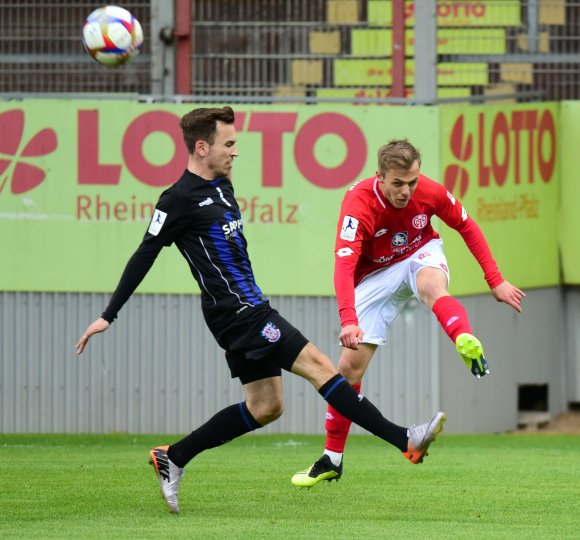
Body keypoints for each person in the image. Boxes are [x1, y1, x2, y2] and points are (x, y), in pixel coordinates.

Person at [75, 108, 446, 513]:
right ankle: (404, 440)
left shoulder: (222, 187)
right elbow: (143, 255)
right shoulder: (178, 200)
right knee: (322, 366)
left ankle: (173, 457)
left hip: (246, 308)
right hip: (239, 314)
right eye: (228, 144)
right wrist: (109, 314)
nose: (236, 152)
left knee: (265, 407)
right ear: (202, 147)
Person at [291, 139, 525, 488]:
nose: (406, 190)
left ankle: (462, 335)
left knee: (433, 288)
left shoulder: (429, 191)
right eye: (397, 183)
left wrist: (495, 279)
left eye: (412, 181)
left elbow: (467, 226)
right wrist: (348, 318)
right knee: (346, 371)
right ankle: (332, 459)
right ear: (380, 177)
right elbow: (344, 266)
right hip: (373, 275)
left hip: (420, 252)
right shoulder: (358, 204)